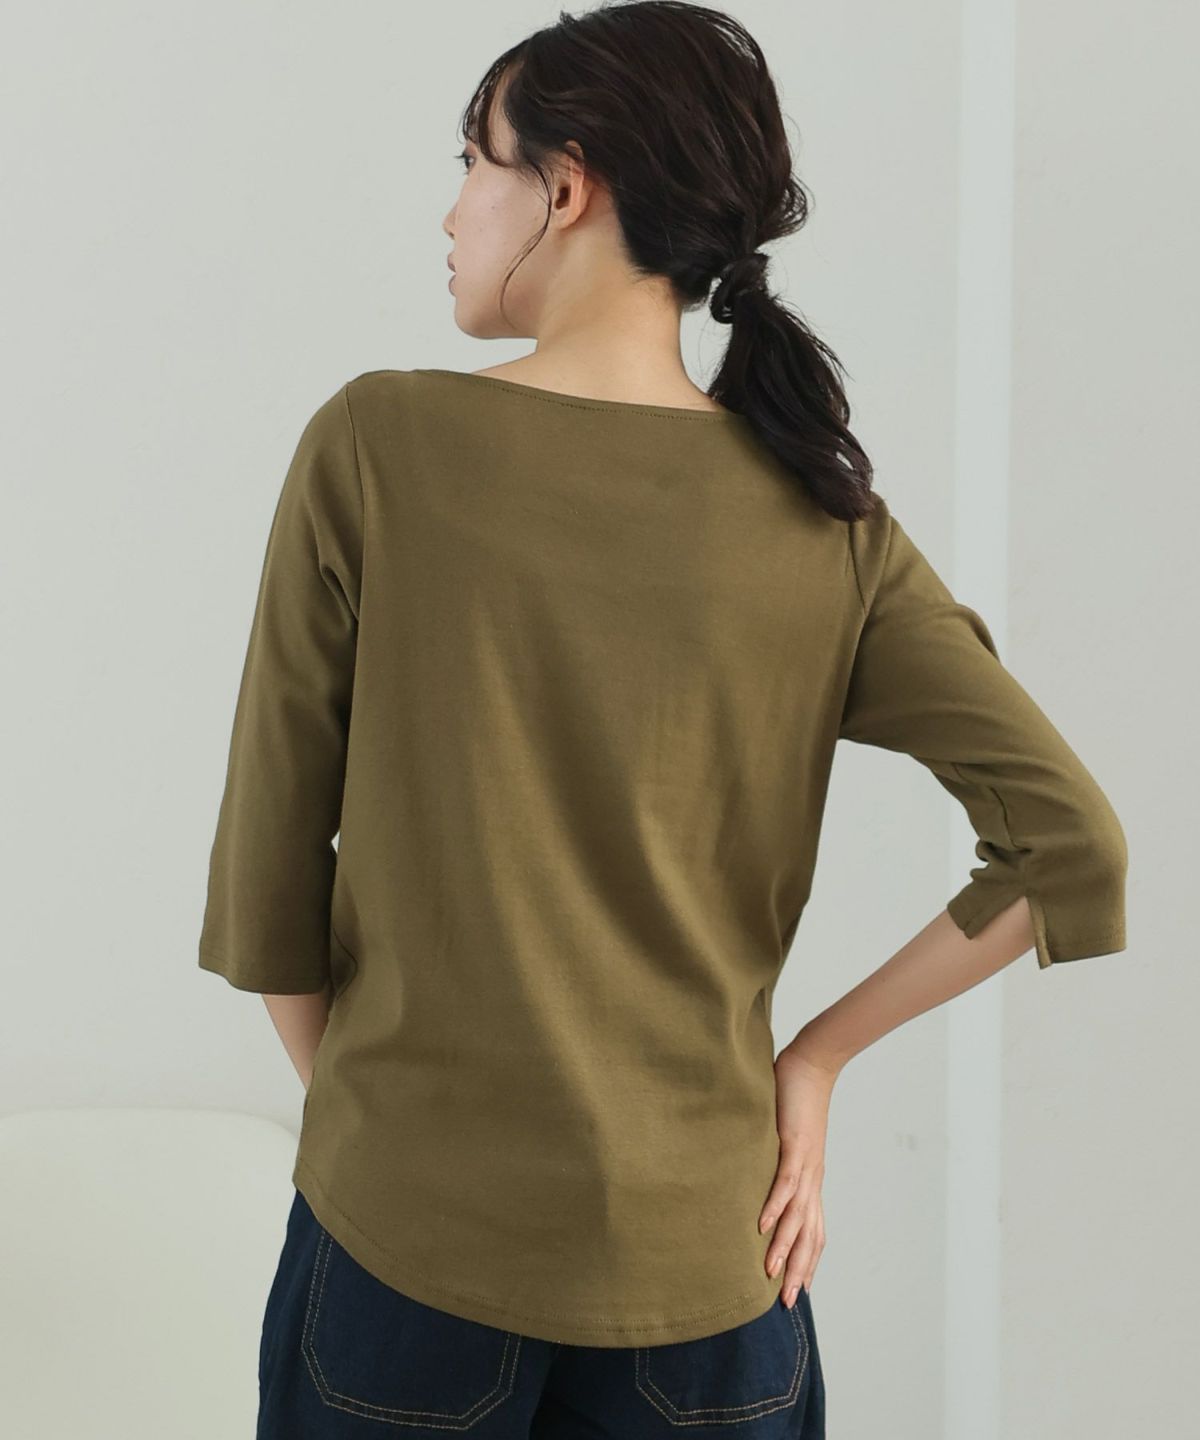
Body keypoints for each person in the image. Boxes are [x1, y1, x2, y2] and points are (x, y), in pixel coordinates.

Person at [197, 3, 1128, 1436]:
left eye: (475, 161)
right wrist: (813, 1061)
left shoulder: (379, 445)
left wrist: (393, 1150)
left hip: (399, 1268)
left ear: (566, 188)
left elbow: (266, 888)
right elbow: (1070, 848)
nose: (453, 209)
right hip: (716, 1283)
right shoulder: (828, 529)